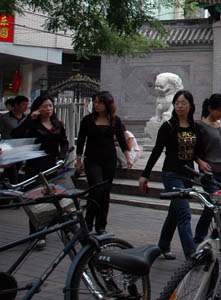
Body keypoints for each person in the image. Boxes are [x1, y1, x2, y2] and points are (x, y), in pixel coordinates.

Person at [138, 90, 210, 260]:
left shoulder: (195, 127)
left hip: (188, 175)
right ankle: (191, 255)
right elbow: (156, 151)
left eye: (183, 103)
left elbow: (198, 151)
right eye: (177, 103)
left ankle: (163, 245)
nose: (180, 106)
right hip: (171, 174)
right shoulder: (168, 127)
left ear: (190, 105)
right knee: (184, 213)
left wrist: (200, 163)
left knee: (174, 212)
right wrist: (145, 174)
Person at [12, 94, 69, 248]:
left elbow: (64, 143)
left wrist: (62, 158)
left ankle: (57, 227)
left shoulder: (58, 124)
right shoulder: (32, 125)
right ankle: (37, 234)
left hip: (52, 166)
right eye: (44, 106)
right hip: (35, 167)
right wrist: (30, 119)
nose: (48, 109)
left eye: (50, 106)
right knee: (36, 200)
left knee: (54, 199)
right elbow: (16, 135)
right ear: (38, 108)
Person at [75, 91, 132, 235]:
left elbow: (122, 139)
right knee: (96, 190)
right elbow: (81, 140)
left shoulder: (115, 120)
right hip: (92, 159)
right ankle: (88, 223)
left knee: (105, 192)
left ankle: (101, 225)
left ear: (107, 104)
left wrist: (128, 157)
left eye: (99, 102)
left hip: (109, 160)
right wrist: (78, 160)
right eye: (94, 102)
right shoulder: (87, 120)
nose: (96, 105)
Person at [193, 93, 221, 244]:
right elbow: (194, 149)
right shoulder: (200, 126)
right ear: (210, 108)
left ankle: (204, 234)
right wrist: (200, 161)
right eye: (218, 110)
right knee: (216, 204)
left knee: (213, 205)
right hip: (209, 170)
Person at [1, 95, 28, 184]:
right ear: (16, 105)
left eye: (27, 105)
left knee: (20, 173)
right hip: (8, 149)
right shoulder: (5, 118)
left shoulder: (27, 118)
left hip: (22, 150)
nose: (26, 107)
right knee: (10, 173)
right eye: (23, 105)